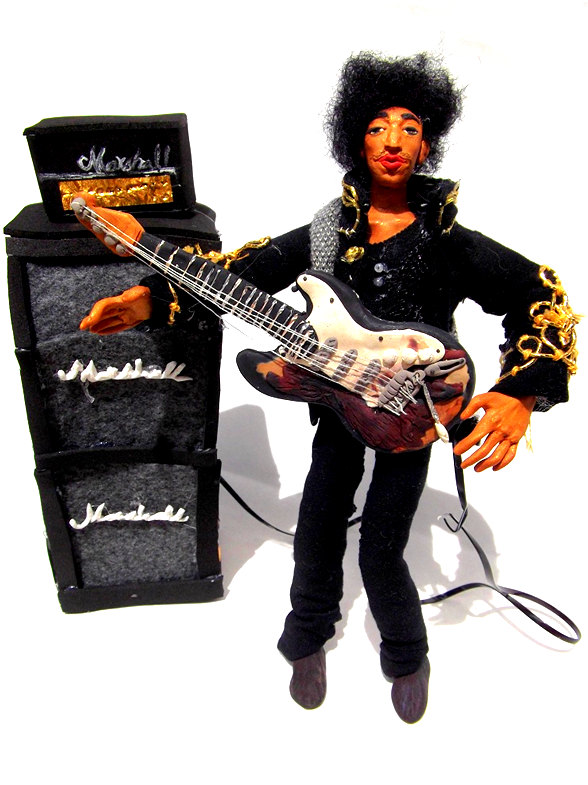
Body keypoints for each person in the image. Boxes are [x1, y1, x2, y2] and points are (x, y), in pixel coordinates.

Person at [73, 52, 578, 723]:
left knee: (382, 548)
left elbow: (538, 293)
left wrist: (523, 393)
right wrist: (149, 294)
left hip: (413, 411)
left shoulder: (448, 241)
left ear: (427, 144)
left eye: (409, 127)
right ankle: (306, 637)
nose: (393, 140)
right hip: (336, 407)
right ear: (354, 139)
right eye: (377, 127)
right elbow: (240, 273)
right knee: (316, 528)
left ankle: (406, 653)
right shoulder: (323, 233)